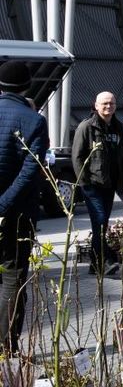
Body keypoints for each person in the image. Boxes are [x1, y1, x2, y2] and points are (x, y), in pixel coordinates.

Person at [0, 62, 47, 351]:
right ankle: (6, 344)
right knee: (12, 274)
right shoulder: (33, 121)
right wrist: (3, 204)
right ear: (27, 85)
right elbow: (31, 171)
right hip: (17, 213)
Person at [73, 91, 123, 276]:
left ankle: (94, 264)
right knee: (99, 222)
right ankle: (105, 262)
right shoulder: (87, 127)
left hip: (110, 185)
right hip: (93, 184)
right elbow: (77, 157)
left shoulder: (119, 128)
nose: (108, 106)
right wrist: (84, 182)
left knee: (102, 224)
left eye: (111, 103)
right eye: (104, 103)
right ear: (96, 105)